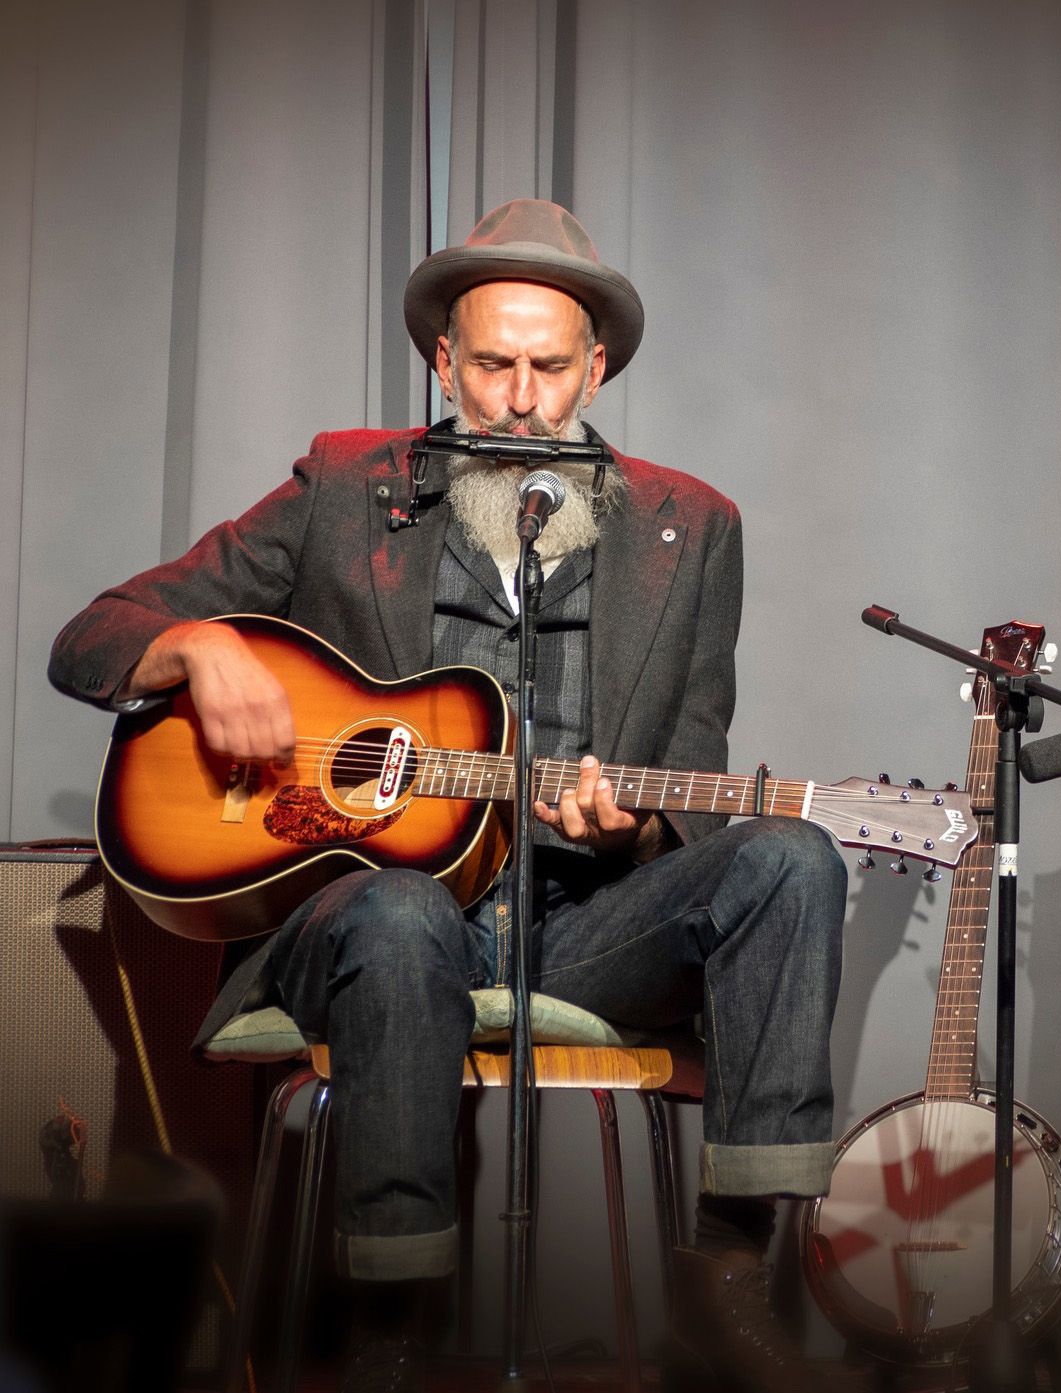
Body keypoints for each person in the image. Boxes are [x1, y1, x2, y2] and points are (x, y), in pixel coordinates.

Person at [47, 200, 844, 1392]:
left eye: (548, 370)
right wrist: (201, 649)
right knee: (405, 909)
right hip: (366, 916)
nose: (519, 402)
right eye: (490, 366)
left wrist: (640, 826)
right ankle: (391, 1322)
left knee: (790, 855)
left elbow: (695, 772)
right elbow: (93, 633)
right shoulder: (344, 486)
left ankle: (727, 1277)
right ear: (442, 359)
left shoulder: (694, 528)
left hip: (581, 924)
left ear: (596, 369)